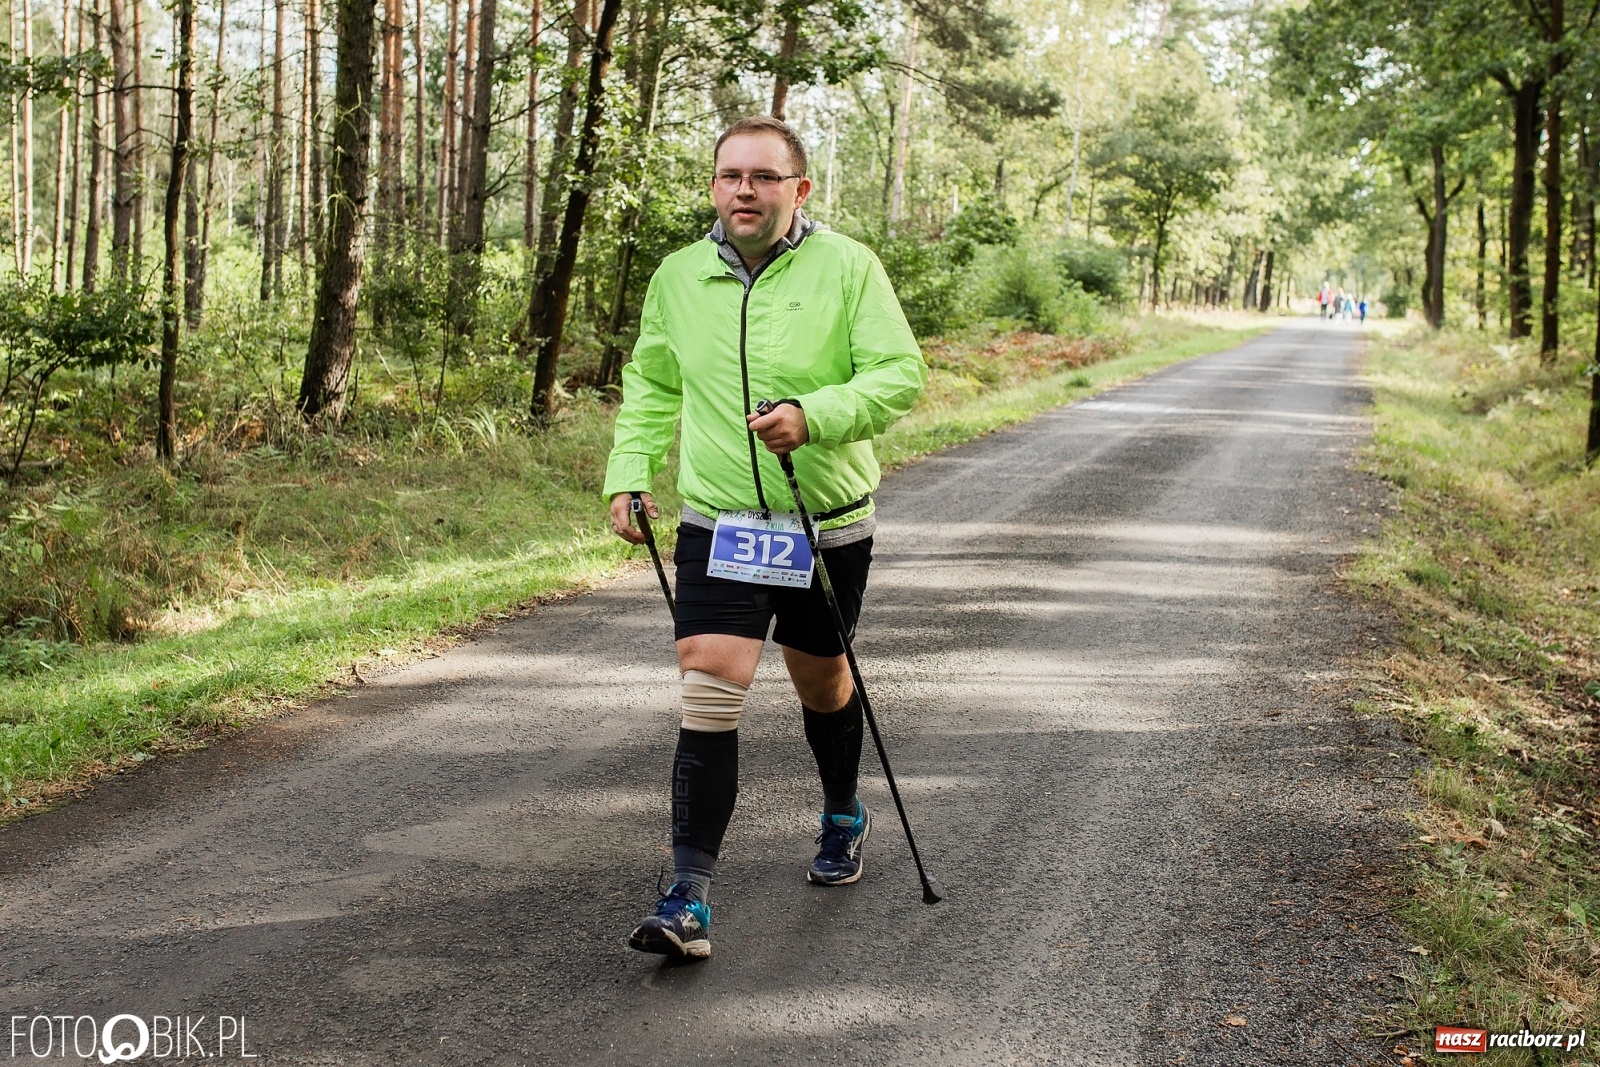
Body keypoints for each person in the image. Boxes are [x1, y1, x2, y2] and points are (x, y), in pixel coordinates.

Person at [603, 115, 927, 961]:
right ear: (714, 185)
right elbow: (650, 382)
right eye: (728, 175)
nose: (743, 190)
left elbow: (900, 374)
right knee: (711, 681)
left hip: (825, 522)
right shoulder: (677, 276)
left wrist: (813, 417)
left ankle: (844, 811)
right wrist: (629, 471)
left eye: (763, 177)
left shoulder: (850, 267)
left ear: (799, 189)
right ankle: (687, 896)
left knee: (823, 683)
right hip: (721, 518)